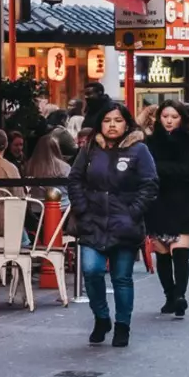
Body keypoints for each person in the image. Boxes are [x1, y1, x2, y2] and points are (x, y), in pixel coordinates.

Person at [68, 101, 157, 347]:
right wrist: (82, 209)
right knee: (91, 270)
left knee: (122, 278)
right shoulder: (89, 150)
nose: (112, 125)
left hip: (125, 225)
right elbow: (75, 180)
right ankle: (102, 317)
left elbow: (149, 185)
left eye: (117, 120)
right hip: (92, 222)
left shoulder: (139, 150)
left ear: (127, 123)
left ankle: (122, 326)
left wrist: (133, 213)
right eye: (107, 121)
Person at [144, 99, 189, 318]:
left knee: (180, 250)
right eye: (165, 116)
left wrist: (160, 169)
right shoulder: (150, 142)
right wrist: (168, 170)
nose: (169, 121)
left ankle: (180, 295)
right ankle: (169, 295)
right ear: (158, 117)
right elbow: (147, 169)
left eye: (174, 117)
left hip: (184, 201)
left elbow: (188, 170)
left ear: (182, 118)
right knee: (161, 251)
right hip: (158, 201)